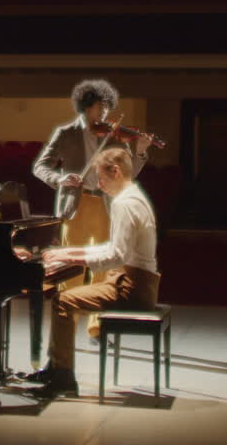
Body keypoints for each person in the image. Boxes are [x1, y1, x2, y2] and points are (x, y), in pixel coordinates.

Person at [28, 147, 160, 398]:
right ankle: (57, 369)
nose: (98, 185)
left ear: (116, 172)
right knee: (66, 298)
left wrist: (72, 257)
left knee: (62, 301)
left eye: (101, 177)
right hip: (138, 281)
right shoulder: (135, 196)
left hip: (132, 286)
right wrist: (70, 253)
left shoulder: (123, 204)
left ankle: (63, 377)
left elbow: (116, 256)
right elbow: (114, 248)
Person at [32, 79, 149, 337]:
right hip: (77, 204)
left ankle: (97, 326)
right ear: (86, 106)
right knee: (71, 269)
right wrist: (60, 179)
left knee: (104, 266)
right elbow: (40, 166)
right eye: (100, 106)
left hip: (105, 203)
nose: (105, 112)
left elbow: (128, 174)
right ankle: (67, 322)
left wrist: (139, 152)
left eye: (108, 107)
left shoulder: (112, 135)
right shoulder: (66, 133)